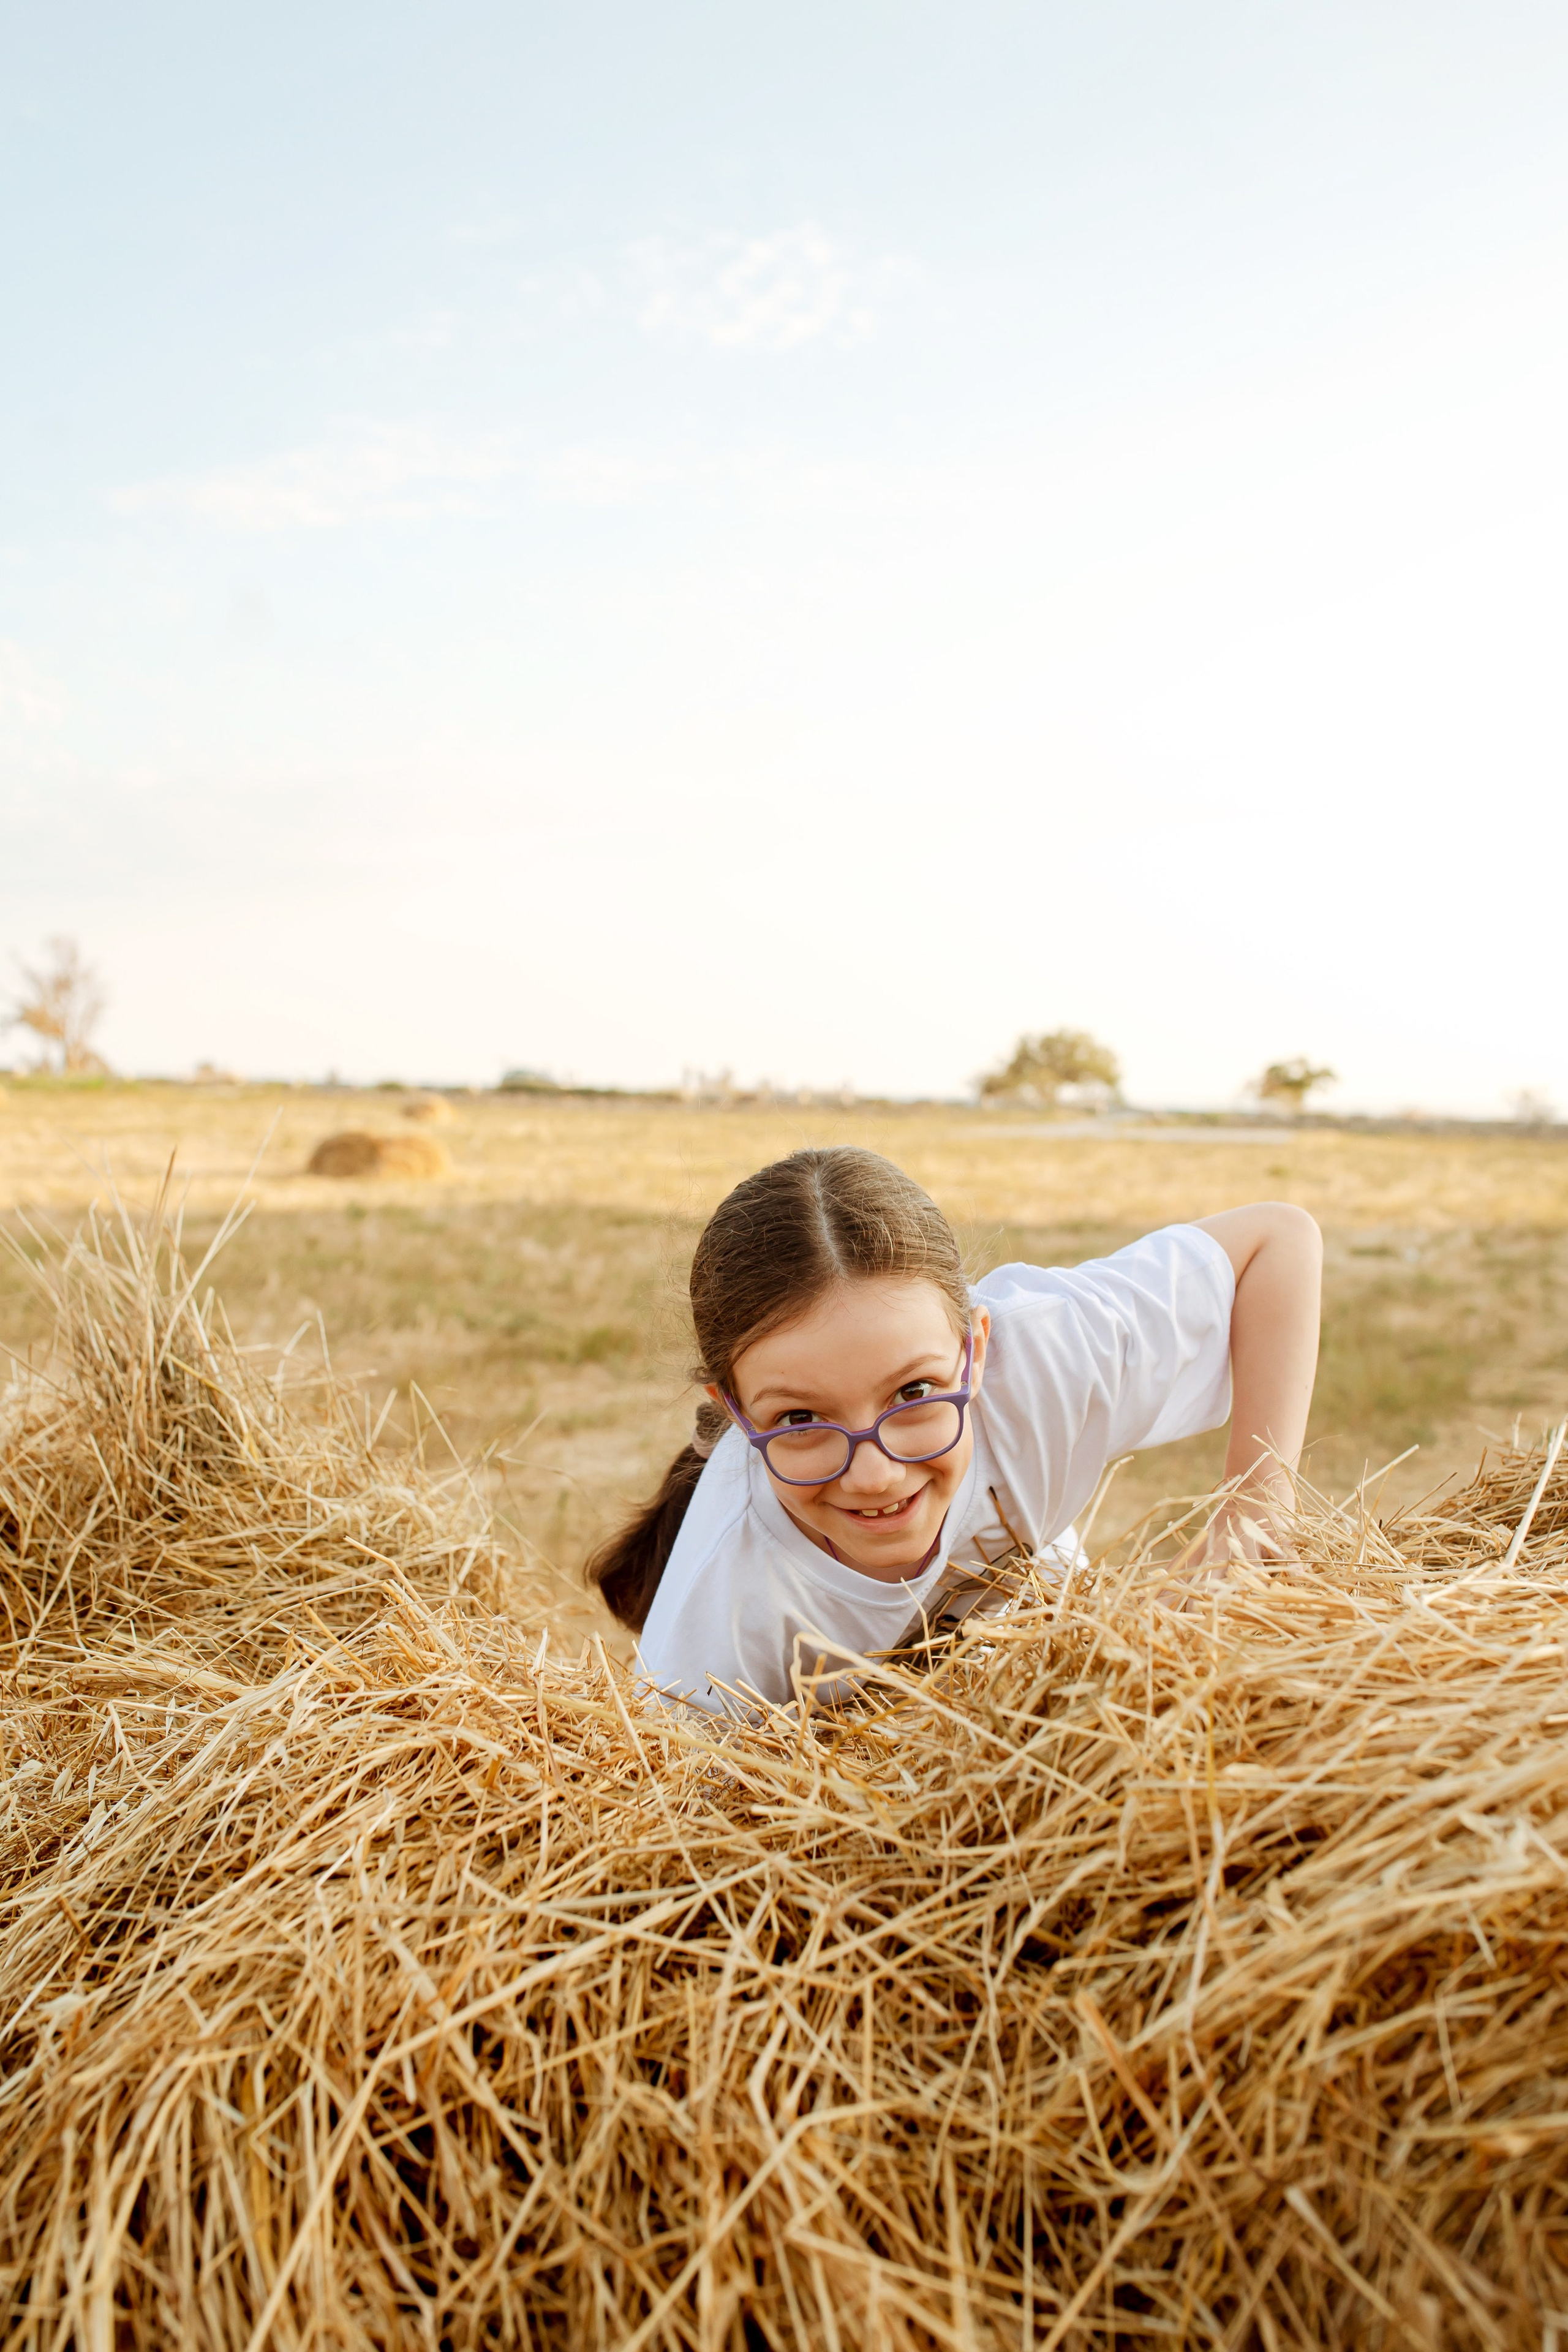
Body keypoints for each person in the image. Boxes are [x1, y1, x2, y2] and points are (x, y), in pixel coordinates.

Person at [587, 1145, 1321, 1716]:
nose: (874, 1475)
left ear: (976, 1348)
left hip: (1046, 1658)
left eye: (913, 1391)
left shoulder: (1048, 1354)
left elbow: (1277, 1241)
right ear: (737, 1410)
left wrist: (1253, 1511)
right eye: (800, 1419)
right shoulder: (719, 1611)